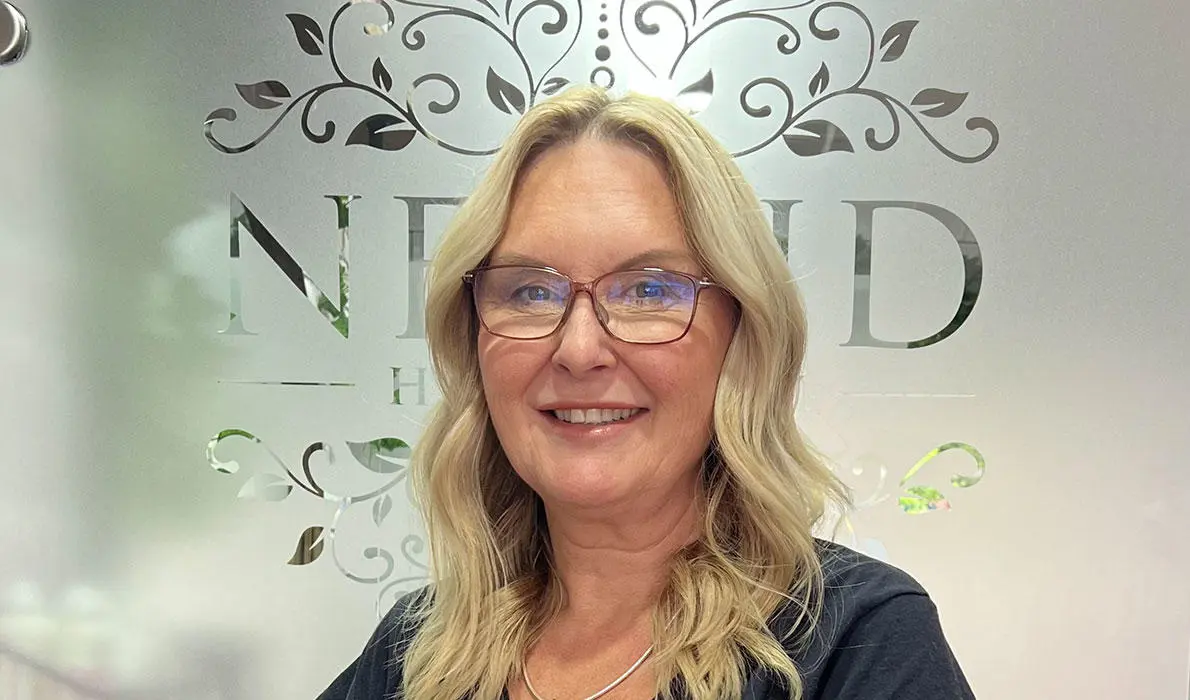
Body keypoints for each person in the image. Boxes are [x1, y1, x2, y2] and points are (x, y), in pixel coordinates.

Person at [318, 86, 975, 700]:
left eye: (649, 290)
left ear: (741, 335)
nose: (578, 350)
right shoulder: (421, 649)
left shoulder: (856, 641)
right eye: (529, 290)